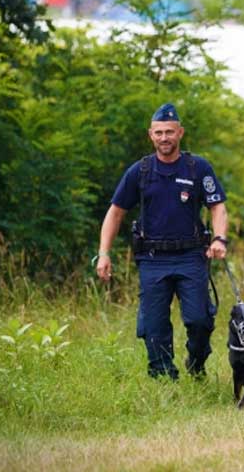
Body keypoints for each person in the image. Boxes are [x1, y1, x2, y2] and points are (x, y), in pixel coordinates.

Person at [96, 103, 229, 379]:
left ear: (180, 133)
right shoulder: (140, 171)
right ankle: (164, 379)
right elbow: (115, 212)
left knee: (200, 320)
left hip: (192, 257)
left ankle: (197, 362)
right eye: (159, 133)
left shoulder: (197, 168)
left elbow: (217, 207)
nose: (164, 138)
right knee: (154, 326)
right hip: (153, 260)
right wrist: (104, 253)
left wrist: (219, 239)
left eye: (169, 132)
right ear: (150, 135)